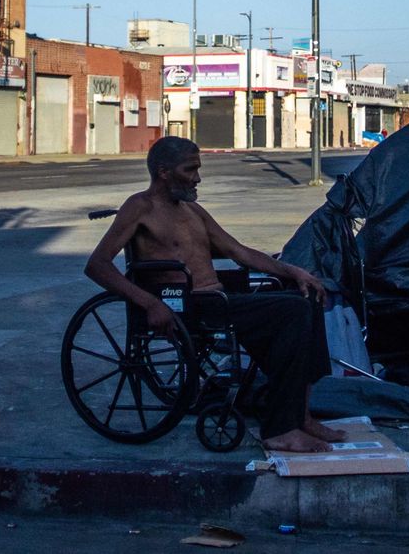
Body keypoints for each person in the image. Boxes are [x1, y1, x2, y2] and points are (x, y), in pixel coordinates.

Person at [84, 136, 346, 453]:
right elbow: (97, 265)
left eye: (198, 168)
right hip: (186, 306)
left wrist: (295, 272)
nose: (197, 177)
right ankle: (280, 429)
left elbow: (239, 252)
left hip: (218, 300)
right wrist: (149, 302)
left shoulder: (193, 211)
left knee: (307, 295)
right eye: (190, 169)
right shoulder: (141, 207)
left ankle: (300, 415)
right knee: (292, 312)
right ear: (164, 172)